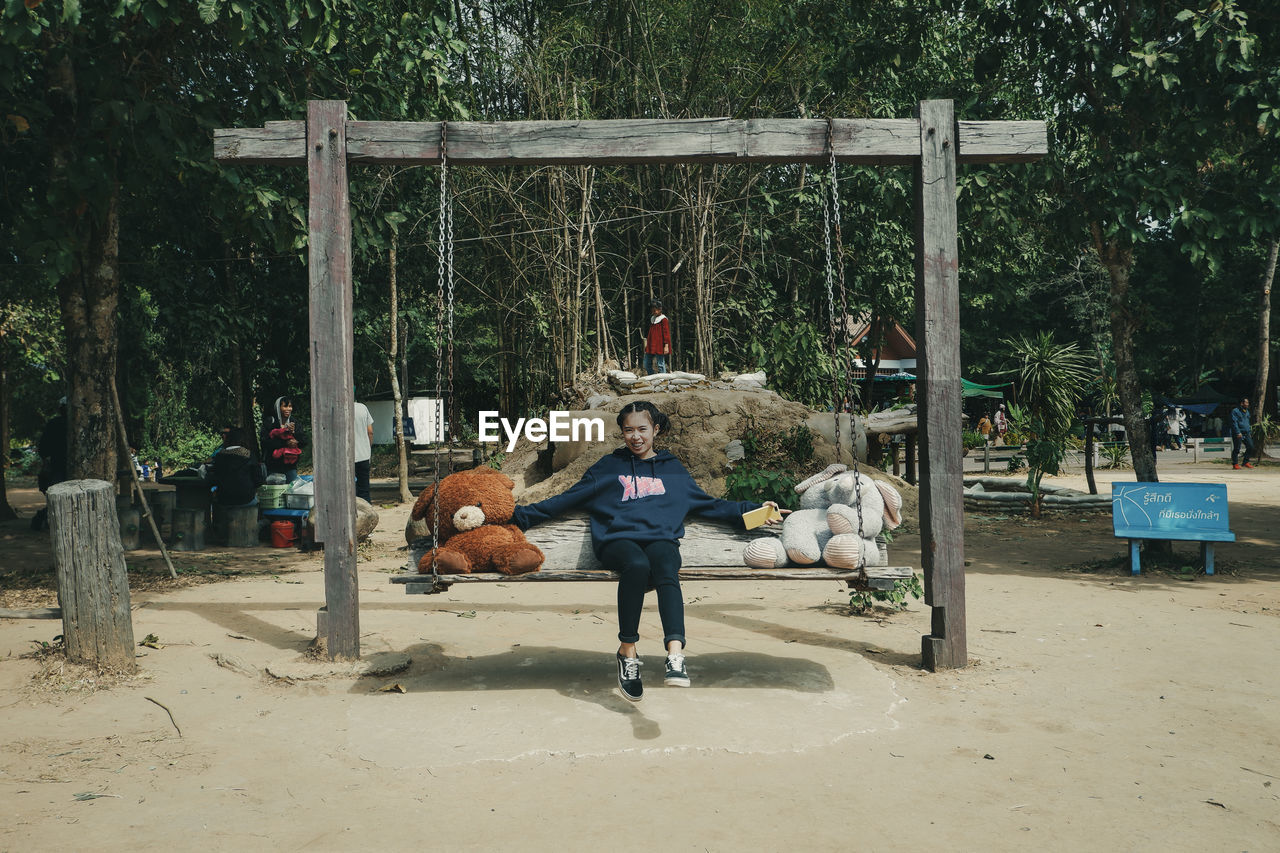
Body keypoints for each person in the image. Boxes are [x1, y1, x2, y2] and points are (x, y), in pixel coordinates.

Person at [511, 400, 786, 702]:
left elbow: (711, 505)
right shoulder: (608, 468)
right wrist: (518, 517)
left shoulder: (673, 471)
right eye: (628, 430)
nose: (636, 436)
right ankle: (627, 652)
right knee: (637, 565)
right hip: (618, 540)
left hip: (659, 540)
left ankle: (676, 655)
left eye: (642, 429)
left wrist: (755, 511)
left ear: (656, 430)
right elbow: (566, 499)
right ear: (622, 433)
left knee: (666, 564)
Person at [30, 399, 69, 531]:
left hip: (57, 467)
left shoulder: (54, 423)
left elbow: (43, 449)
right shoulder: (59, 424)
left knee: (57, 497)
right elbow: (43, 449)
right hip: (58, 468)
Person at [209, 427, 264, 507]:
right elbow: (259, 481)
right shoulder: (249, 455)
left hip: (224, 499)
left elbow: (215, 477)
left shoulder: (219, 456)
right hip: (246, 499)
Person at [261, 396, 307, 481]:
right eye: (285, 406)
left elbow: (304, 440)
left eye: (290, 406)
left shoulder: (294, 422)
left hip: (290, 466)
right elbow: (265, 441)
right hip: (273, 466)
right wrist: (285, 443)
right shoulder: (270, 422)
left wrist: (295, 437)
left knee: (291, 489)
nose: (288, 409)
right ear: (278, 408)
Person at [353, 397, 374, 502]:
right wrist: (368, 447)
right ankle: (367, 513)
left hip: (346, 457)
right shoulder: (363, 408)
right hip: (364, 455)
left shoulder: (340, 409)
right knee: (364, 489)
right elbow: (370, 431)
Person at [643, 299, 671, 375]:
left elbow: (666, 333)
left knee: (660, 364)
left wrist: (666, 345)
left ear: (660, 309)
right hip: (651, 345)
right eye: (652, 310)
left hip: (659, 345)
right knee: (646, 363)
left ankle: (664, 380)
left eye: (655, 310)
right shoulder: (653, 319)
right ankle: (652, 377)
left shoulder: (663, 319)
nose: (653, 312)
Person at [1230, 397, 1254, 469]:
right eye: (1246, 403)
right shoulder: (1235, 411)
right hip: (1238, 433)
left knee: (1251, 446)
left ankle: (1245, 462)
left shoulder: (1247, 411)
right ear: (1241, 403)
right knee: (1237, 449)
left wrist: (1249, 431)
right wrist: (1238, 432)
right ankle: (1235, 464)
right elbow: (1234, 423)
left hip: (1246, 433)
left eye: (1248, 403)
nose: (1247, 404)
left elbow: (1247, 422)